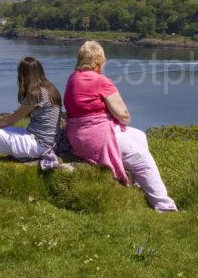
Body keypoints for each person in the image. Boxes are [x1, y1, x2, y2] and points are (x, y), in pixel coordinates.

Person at [63, 41, 177, 212]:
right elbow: (124, 116)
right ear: (100, 61)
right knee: (142, 158)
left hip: (77, 135)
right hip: (96, 137)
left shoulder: (73, 78)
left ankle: (139, 186)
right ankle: (165, 206)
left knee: (139, 135)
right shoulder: (101, 81)